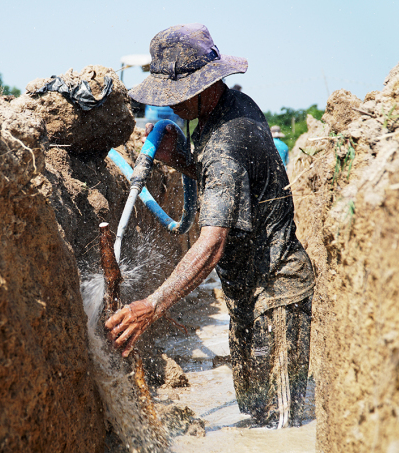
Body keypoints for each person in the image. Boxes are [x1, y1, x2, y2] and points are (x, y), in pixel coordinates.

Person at [105, 23, 315, 428]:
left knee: (279, 424)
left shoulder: (222, 145)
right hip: (249, 294)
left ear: (203, 88)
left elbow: (213, 242)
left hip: (274, 293)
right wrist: (181, 159)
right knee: (258, 416)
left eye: (177, 95)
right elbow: (235, 187)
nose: (172, 105)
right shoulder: (235, 107)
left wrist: (152, 306)